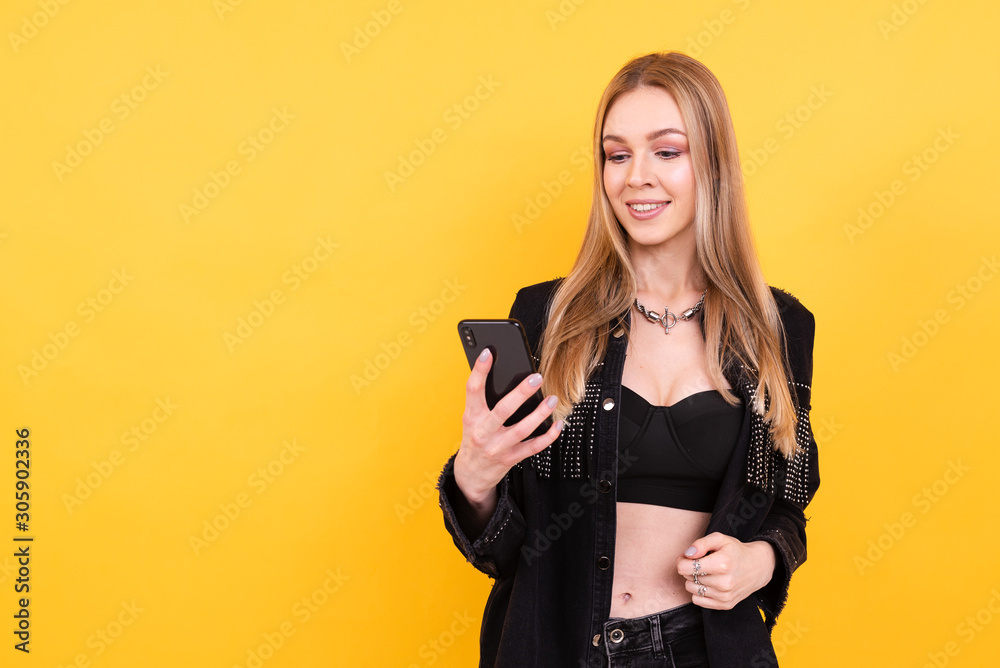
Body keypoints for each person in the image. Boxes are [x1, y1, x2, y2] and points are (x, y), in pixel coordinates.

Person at [437, 51, 819, 668]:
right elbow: (501, 553)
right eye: (617, 155)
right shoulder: (546, 318)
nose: (636, 176)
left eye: (667, 151)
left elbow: (790, 500)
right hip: (559, 648)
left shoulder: (776, 328)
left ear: (713, 164)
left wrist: (762, 559)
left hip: (704, 651)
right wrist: (474, 478)